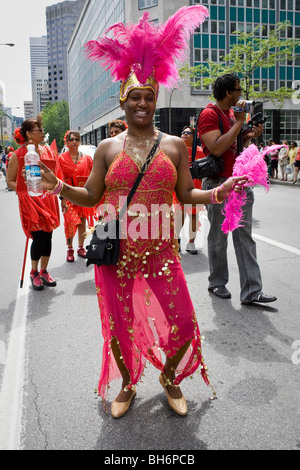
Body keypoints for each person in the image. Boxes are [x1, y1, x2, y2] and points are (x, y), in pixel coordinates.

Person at [37, 7, 247, 418]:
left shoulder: (173, 146)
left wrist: (218, 191)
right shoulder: (106, 149)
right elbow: (91, 195)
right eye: (136, 97)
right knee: (119, 329)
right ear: (123, 100)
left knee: (183, 323)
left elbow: (186, 193)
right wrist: (59, 187)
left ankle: (169, 378)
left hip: (160, 252)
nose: (143, 104)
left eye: (149, 98)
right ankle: (129, 383)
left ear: (155, 101)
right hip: (117, 253)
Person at [198, 73, 277, 305]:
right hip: (218, 183)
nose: (241, 93)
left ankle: (252, 290)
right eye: (238, 90)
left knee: (245, 237)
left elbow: (233, 145)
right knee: (219, 237)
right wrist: (240, 123)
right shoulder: (209, 114)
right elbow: (216, 148)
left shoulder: (232, 114)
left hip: (240, 182)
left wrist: (248, 135)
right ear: (228, 92)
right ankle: (217, 282)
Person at [6, 115, 61, 290]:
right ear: (29, 134)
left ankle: (44, 271)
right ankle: (34, 272)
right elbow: (10, 181)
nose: (43, 133)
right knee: (38, 237)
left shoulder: (48, 151)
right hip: (31, 202)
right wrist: (25, 192)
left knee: (48, 235)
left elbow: (55, 175)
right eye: (40, 130)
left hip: (48, 199)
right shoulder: (18, 155)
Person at [58, 130, 96, 262]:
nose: (74, 142)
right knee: (69, 222)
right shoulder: (61, 158)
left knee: (82, 223)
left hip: (82, 195)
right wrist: (62, 198)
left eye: (77, 139)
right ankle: (70, 249)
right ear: (67, 142)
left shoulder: (87, 158)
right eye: (71, 139)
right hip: (68, 196)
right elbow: (59, 179)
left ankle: (80, 247)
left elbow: (93, 175)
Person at [173, 126, 205, 254]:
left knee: (193, 215)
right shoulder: (175, 149)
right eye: (183, 132)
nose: (184, 134)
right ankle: (176, 240)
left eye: (188, 133)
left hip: (194, 186)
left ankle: (191, 243)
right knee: (179, 215)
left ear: (195, 136)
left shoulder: (200, 151)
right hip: (179, 185)